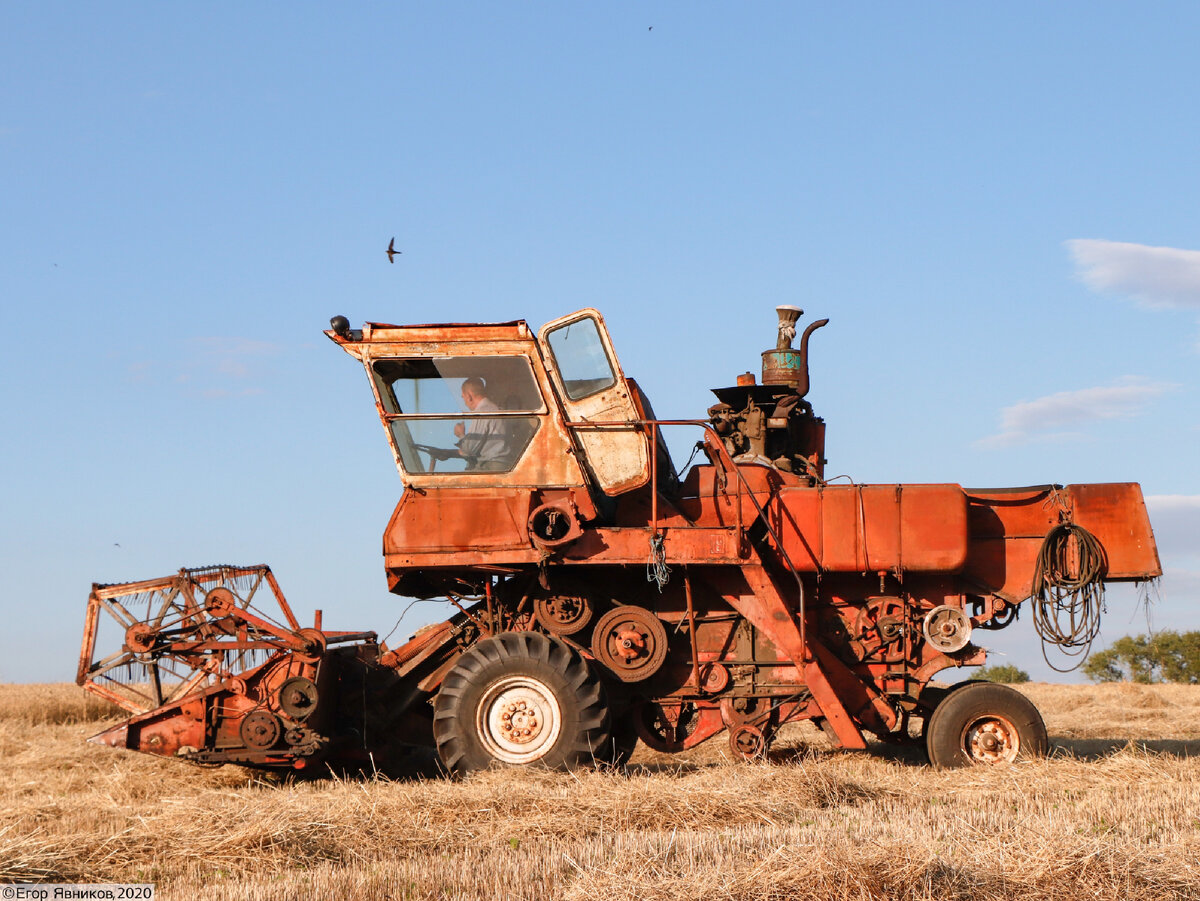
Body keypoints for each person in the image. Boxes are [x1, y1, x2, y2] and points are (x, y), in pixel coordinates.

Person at [453, 377, 510, 470]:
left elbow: (469, 450)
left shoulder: (482, 411)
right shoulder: (494, 408)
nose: (465, 402)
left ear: (469, 396)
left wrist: (461, 435)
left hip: (491, 466)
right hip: (501, 464)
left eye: (463, 397)